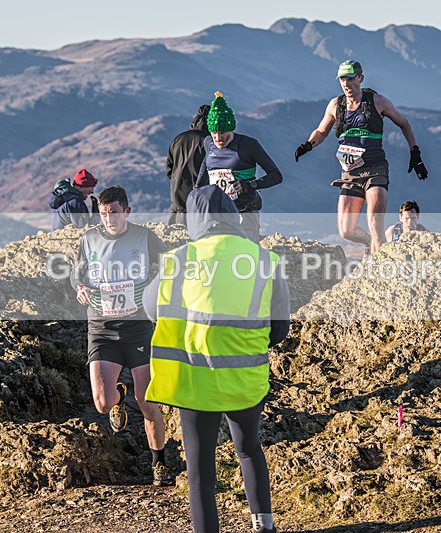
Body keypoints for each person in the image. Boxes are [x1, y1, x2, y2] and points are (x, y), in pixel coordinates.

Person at [144, 185, 290, 533]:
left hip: (196, 380)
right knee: (250, 450)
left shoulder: (178, 260)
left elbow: (152, 310)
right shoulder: (265, 260)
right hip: (246, 379)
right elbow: (279, 331)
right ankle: (263, 525)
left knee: (199, 470)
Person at [71, 185, 172, 486]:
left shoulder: (146, 238)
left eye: (114, 213)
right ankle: (118, 398)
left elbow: (167, 267)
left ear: (126, 211)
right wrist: (80, 287)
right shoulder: (88, 239)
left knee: (148, 403)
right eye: (103, 214)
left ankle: (160, 464)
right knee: (101, 403)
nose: (109, 219)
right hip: (102, 328)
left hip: (139, 327)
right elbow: (77, 272)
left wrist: (155, 290)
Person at [295, 59, 428, 255]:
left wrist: (415, 153)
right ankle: (369, 242)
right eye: (342, 79)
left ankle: (381, 268)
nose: (346, 84)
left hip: (375, 169)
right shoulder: (335, 105)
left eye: (350, 79)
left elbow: (404, 124)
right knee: (346, 230)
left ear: (360, 78)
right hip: (349, 173)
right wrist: (307, 145)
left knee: (375, 222)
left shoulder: (377, 101)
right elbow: (321, 131)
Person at [195, 92, 282, 242]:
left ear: (231, 129)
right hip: (217, 214)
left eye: (222, 133)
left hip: (244, 213)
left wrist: (250, 185)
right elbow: (206, 162)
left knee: (245, 257)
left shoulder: (248, 145)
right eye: (214, 132)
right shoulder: (208, 142)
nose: (218, 138)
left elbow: (276, 176)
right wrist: (197, 187)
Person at [166, 104, 211, 227]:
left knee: (177, 239)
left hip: (177, 202)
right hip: (200, 203)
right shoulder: (210, 142)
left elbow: (169, 170)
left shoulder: (178, 139)